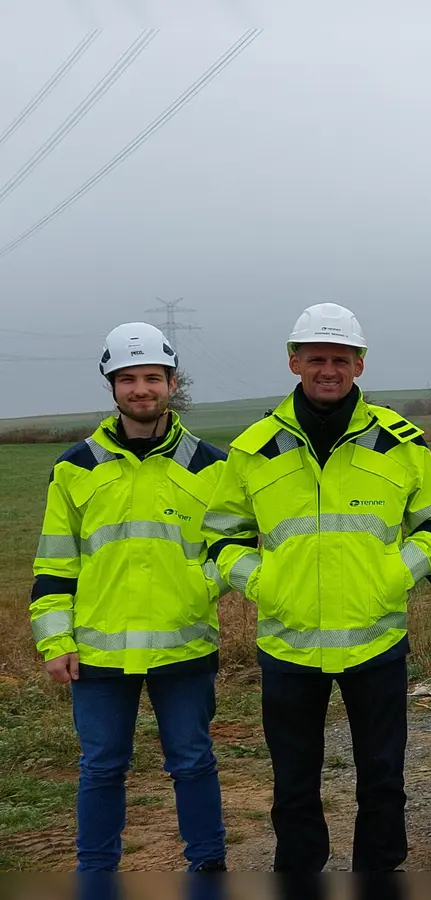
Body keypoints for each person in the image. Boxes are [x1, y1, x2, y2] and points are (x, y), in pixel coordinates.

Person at [203, 303, 431, 872]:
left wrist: (397, 573)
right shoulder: (254, 449)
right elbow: (221, 536)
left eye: (340, 359)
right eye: (316, 358)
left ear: (359, 365)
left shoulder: (401, 444)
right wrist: (264, 582)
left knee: (383, 780)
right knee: (293, 784)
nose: (328, 370)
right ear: (294, 362)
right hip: (289, 645)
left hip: (376, 642)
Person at [31, 323, 228, 872]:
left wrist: (198, 589)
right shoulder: (76, 466)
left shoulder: (210, 465)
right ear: (111, 385)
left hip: (182, 646)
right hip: (98, 651)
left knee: (192, 762)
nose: (141, 390)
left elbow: (230, 550)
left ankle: (209, 868)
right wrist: (54, 642)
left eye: (152, 378)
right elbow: (54, 563)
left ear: (172, 383)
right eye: (128, 379)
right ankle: (96, 875)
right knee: (100, 768)